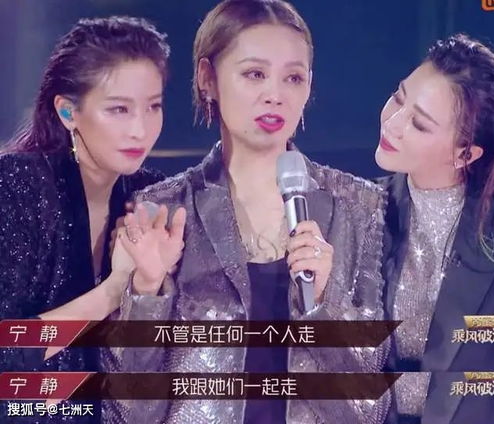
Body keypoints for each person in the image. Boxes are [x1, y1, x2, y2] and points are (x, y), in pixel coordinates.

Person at [119, 1, 390, 423]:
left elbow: (369, 406)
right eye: (254, 74)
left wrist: (324, 302)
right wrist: (147, 291)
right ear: (208, 78)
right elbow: (131, 408)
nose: (275, 95)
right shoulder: (163, 209)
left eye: (293, 78)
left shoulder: (359, 207)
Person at [0, 16, 186, 423]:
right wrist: (115, 289)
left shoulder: (153, 196)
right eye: (119, 109)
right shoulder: (14, 187)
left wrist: (148, 287)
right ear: (68, 112)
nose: (140, 129)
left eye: (153, 107)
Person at [375, 34, 494, 424]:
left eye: (419, 124)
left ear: (466, 153)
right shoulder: (361, 211)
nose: (392, 124)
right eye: (397, 98)